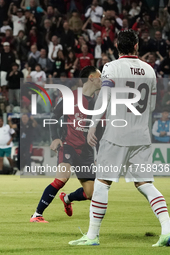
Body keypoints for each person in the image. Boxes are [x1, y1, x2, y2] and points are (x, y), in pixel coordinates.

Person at [69, 30, 170, 247]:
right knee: (145, 183)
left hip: (116, 134)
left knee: (102, 183)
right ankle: (167, 229)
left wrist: (93, 125)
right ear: (136, 46)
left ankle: (92, 235)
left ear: (117, 47)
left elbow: (103, 98)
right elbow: (151, 106)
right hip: (141, 134)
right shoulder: (150, 70)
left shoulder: (111, 67)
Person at [30, 66, 101, 223]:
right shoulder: (71, 97)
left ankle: (67, 199)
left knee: (91, 194)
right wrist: (55, 137)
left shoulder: (99, 103)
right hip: (68, 144)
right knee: (62, 178)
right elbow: (55, 116)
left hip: (86, 151)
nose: (102, 79)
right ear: (90, 78)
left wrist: (99, 154)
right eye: (99, 76)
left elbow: (99, 131)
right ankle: (37, 214)